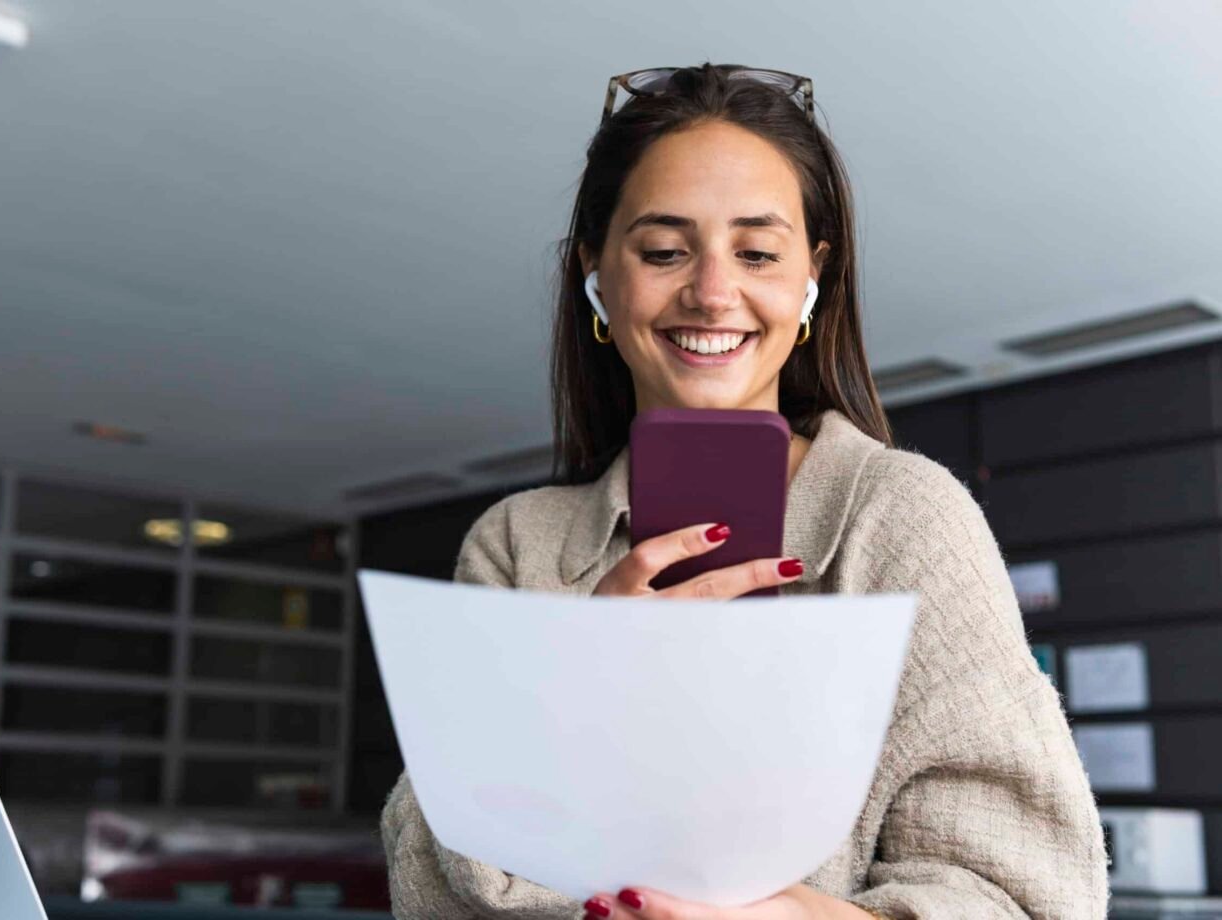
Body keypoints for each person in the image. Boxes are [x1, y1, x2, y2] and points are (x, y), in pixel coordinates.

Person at [380, 63, 1109, 920]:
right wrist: (586, 688)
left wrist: (792, 914)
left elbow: (1027, 890)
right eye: (663, 251)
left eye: (758, 252)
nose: (714, 293)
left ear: (811, 279)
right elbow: (430, 887)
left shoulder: (903, 517)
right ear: (597, 277)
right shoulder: (519, 545)